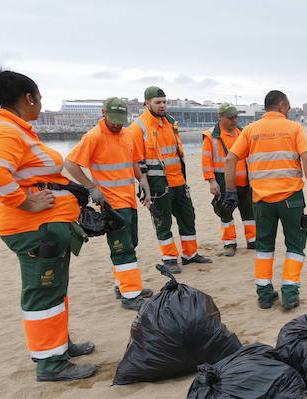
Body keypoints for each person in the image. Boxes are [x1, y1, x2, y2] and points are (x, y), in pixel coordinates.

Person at [0, 69, 96, 382]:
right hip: (32, 228)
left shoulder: (19, 129)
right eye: (40, 98)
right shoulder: (5, 131)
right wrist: (25, 202)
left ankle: (59, 347)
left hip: (47, 226)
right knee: (43, 294)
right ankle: (51, 364)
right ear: (29, 98)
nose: (41, 104)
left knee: (54, 290)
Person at [222, 90, 307, 310]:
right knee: (295, 244)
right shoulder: (294, 128)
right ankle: (289, 293)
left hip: (262, 200)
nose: (290, 110)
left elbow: (230, 159)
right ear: (282, 105)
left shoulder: (250, 130)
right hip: (290, 198)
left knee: (264, 246)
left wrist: (231, 191)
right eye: (289, 106)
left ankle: (265, 295)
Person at [64, 98, 154, 310]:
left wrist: (143, 181)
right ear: (104, 113)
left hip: (129, 199)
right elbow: (70, 163)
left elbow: (133, 161)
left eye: (121, 120)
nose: (117, 124)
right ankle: (131, 295)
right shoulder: (94, 136)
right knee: (123, 249)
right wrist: (91, 187)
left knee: (130, 243)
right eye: (113, 120)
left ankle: (122, 285)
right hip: (111, 203)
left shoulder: (127, 134)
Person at [127, 86, 211, 273]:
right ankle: (169, 259)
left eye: (164, 102)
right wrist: (145, 189)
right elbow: (137, 162)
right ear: (146, 103)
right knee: (163, 223)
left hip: (179, 182)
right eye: (158, 102)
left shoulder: (171, 122)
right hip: (158, 186)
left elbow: (176, 154)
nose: (162, 105)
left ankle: (190, 255)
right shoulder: (138, 127)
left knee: (188, 218)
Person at [201, 102, 254, 256]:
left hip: (244, 182)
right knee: (226, 214)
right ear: (221, 117)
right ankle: (229, 244)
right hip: (222, 182)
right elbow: (206, 160)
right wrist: (211, 181)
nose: (234, 121)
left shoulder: (241, 132)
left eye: (236, 117)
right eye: (230, 118)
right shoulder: (211, 136)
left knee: (249, 213)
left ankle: (253, 240)